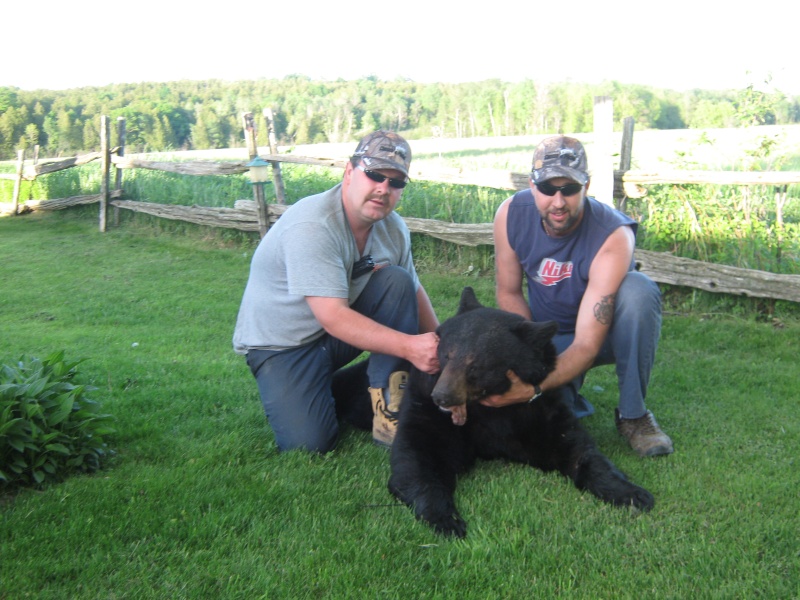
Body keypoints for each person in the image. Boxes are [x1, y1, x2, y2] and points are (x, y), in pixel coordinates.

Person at [233, 130, 440, 453]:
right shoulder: (314, 226)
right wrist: (412, 348)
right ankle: (323, 387)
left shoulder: (394, 228)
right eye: (374, 175)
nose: (383, 188)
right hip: (282, 347)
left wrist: (444, 353)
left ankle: (390, 409)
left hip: (334, 337)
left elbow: (412, 290)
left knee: (396, 281)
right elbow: (333, 317)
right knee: (309, 444)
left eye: (396, 182)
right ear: (349, 172)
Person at [487, 135, 673, 457]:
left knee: (639, 290)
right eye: (548, 189)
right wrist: (532, 356)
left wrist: (532, 386)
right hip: (548, 333)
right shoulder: (509, 215)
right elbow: (509, 292)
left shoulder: (614, 233)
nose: (558, 202)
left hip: (604, 334)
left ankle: (634, 415)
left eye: (569, 189)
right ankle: (568, 397)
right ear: (532, 186)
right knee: (537, 422)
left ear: (586, 186)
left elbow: (587, 344)